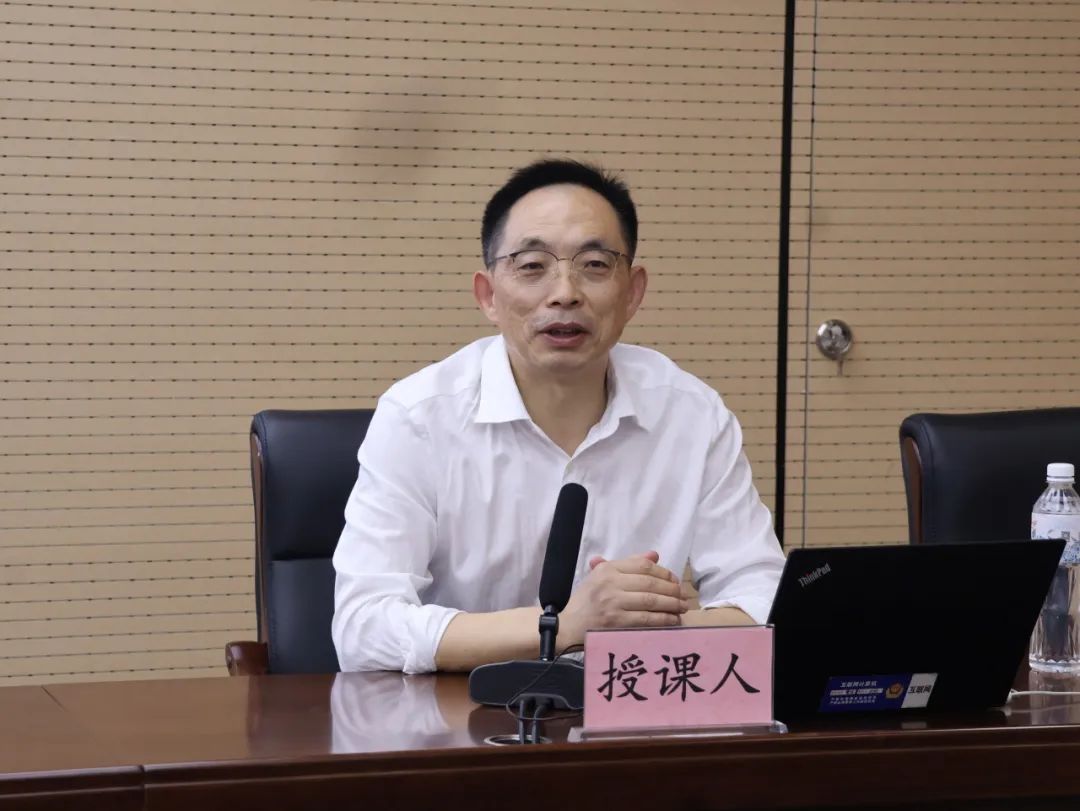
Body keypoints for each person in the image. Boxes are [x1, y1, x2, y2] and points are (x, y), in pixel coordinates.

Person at [332, 159, 785, 674]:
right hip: (458, 712)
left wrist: (647, 625)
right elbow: (363, 628)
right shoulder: (418, 419)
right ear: (488, 296)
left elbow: (766, 595)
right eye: (532, 266)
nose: (565, 292)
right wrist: (567, 626)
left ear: (633, 292)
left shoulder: (692, 415)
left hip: (630, 704)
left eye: (594, 265)